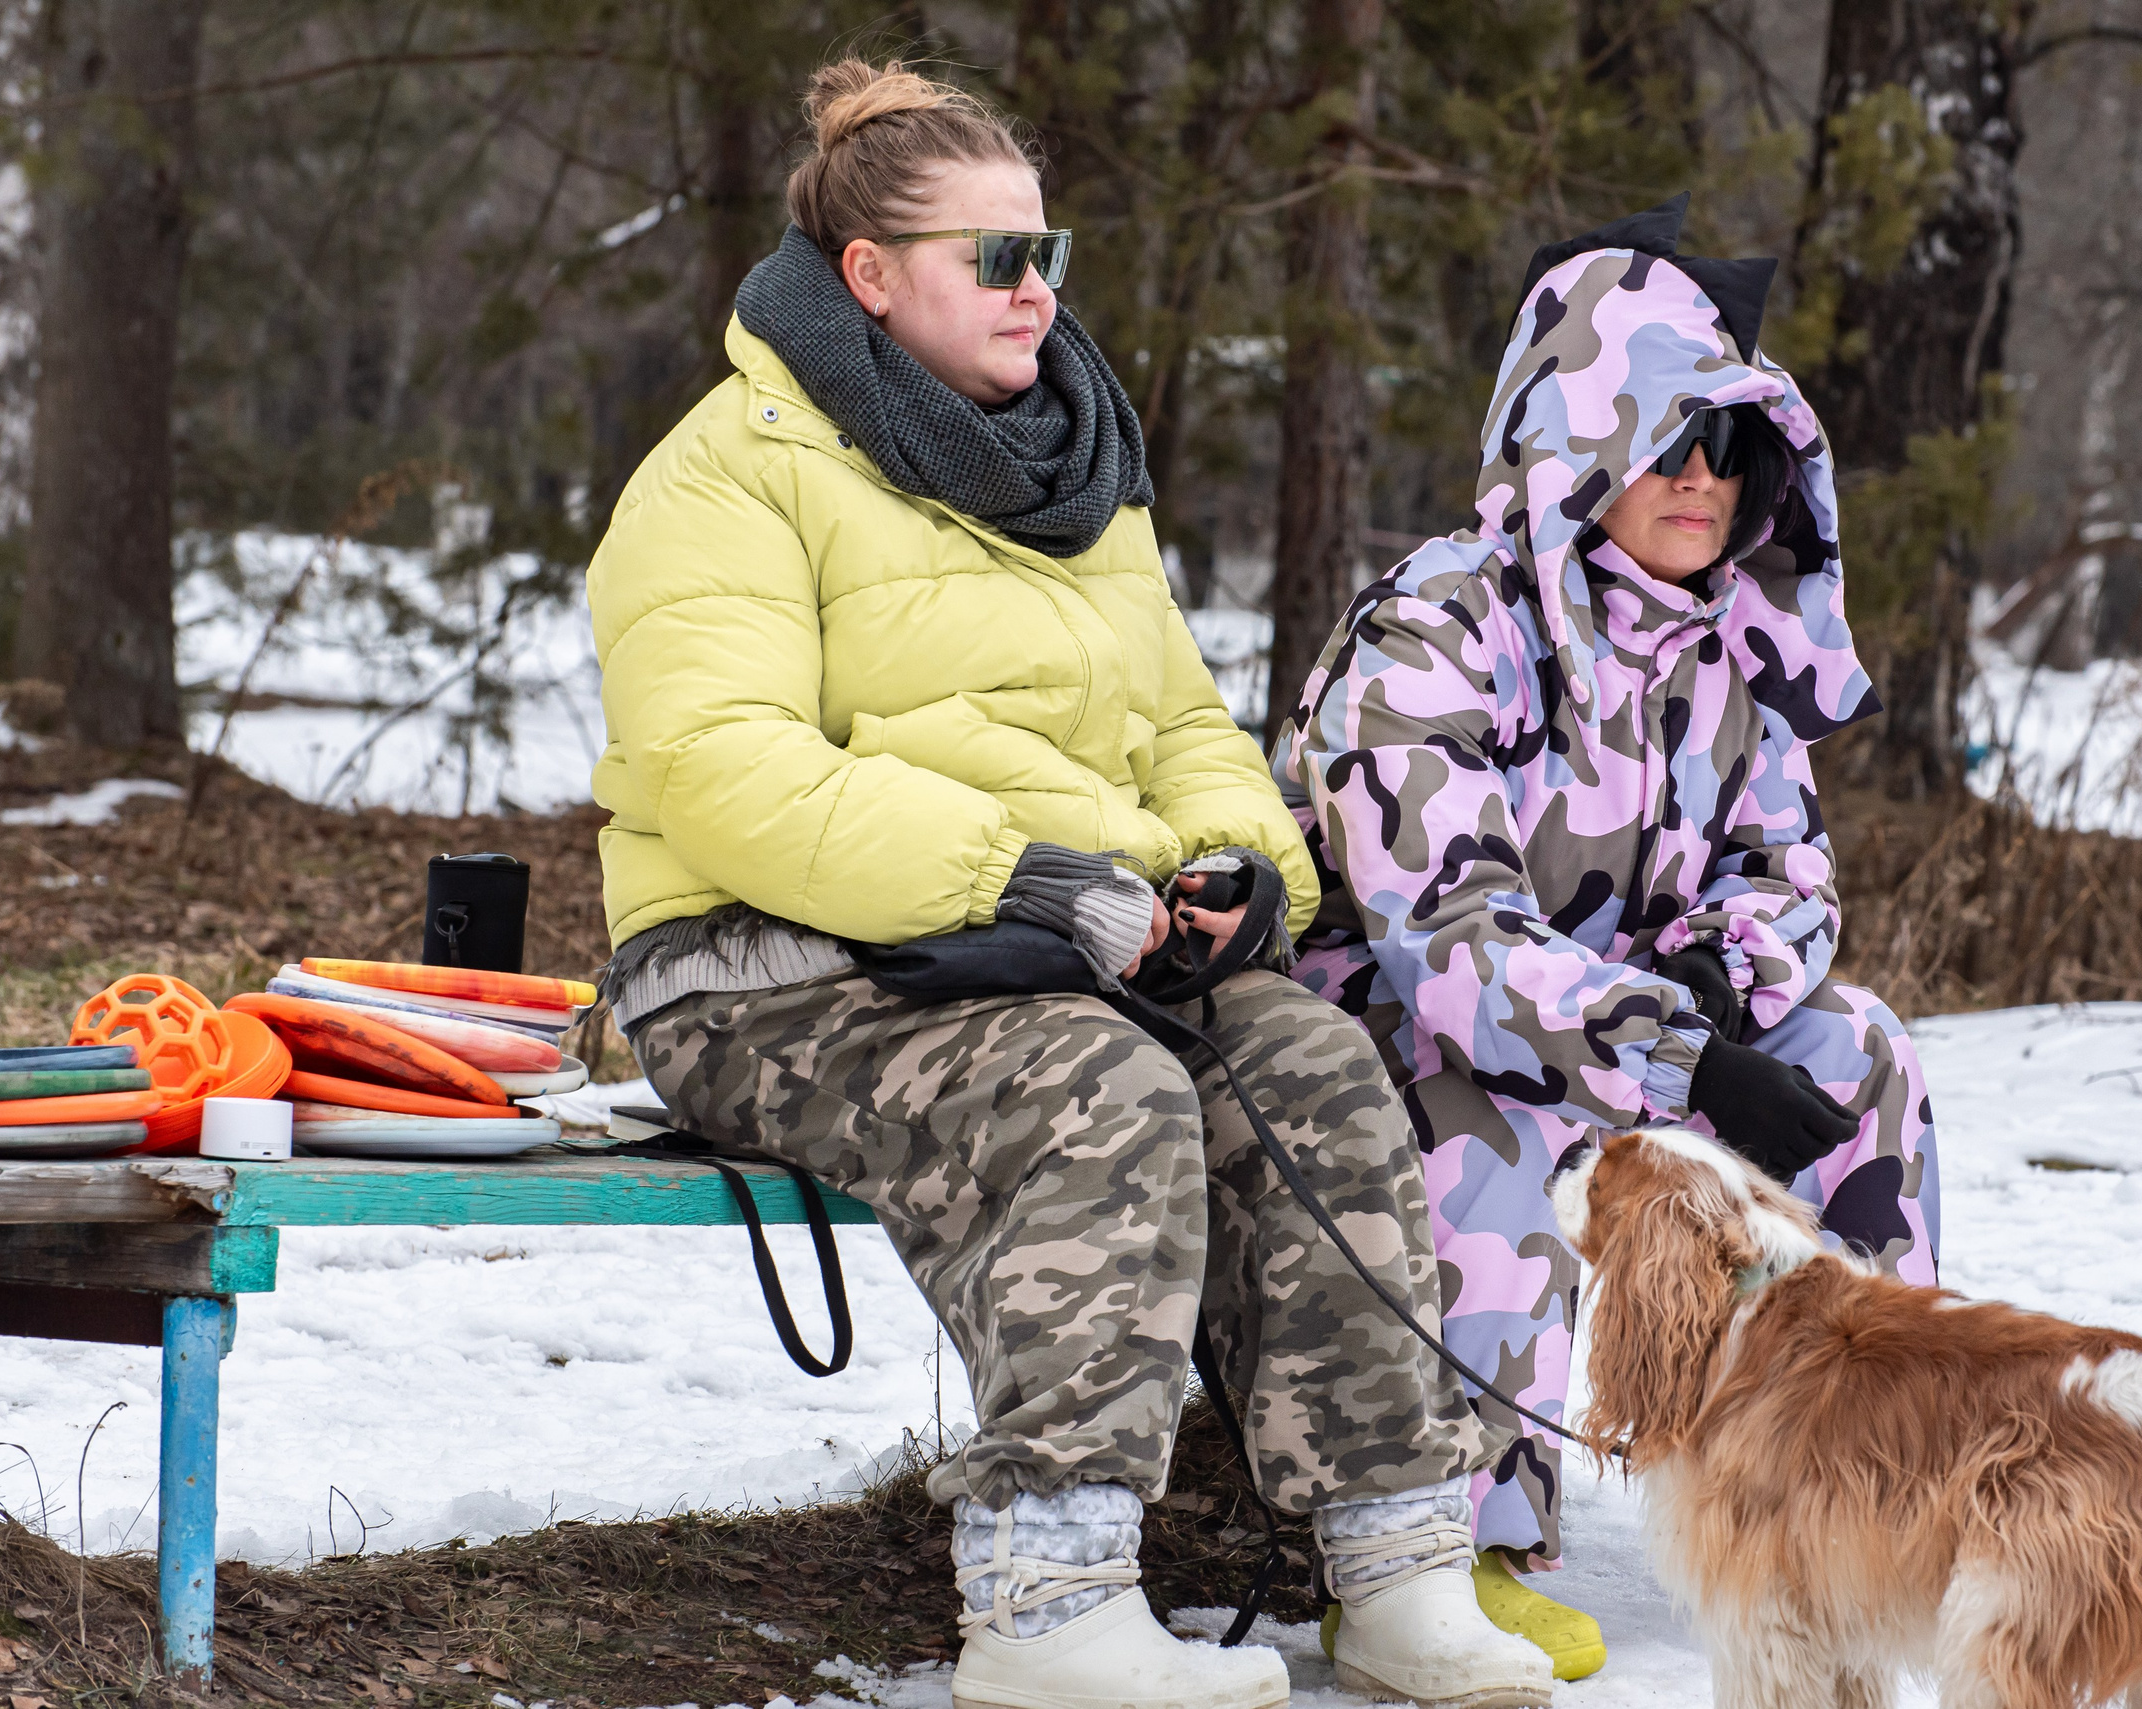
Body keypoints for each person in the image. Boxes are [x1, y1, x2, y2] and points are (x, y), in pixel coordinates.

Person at [583, 57, 1553, 1709]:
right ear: (870, 279)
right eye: (995, 258)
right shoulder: (725, 476)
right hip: (765, 965)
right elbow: (724, 774)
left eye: (1052, 252)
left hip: (1036, 942)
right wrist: (1013, 877)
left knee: (1304, 1054)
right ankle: (1048, 1592)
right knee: (1094, 1081)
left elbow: (1182, 725)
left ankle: (1394, 1562)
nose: (1038, 291)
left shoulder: (1074, 471)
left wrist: (1240, 868)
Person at [1270, 197, 1945, 1679]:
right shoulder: (1439, 623)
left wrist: (1718, 977)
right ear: (1581, 438)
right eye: (1670, 440)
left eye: (1734, 447)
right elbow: (1448, 941)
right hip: (1395, 1042)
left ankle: (1851, 1484)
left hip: (1635, 1030)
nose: (1704, 480)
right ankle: (1452, 1546)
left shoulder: (1727, 648)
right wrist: (1681, 1050)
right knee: (1502, 1103)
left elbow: (1793, 877)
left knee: (1861, 1052)